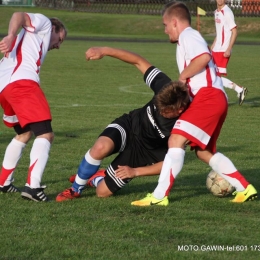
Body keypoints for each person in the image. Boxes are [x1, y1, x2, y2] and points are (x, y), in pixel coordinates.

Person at [131, 1, 257, 206]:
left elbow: (204, 57)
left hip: (209, 97)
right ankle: (244, 188)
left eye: (165, 25)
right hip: (213, 98)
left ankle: (159, 196)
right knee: (203, 152)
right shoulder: (187, 39)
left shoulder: (188, 35)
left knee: (175, 141)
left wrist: (181, 78)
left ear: (174, 22)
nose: (164, 31)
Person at [56, 46, 190, 202]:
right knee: (100, 147)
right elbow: (138, 62)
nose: (159, 112)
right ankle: (76, 189)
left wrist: (135, 172)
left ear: (179, 110)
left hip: (142, 153)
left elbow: (171, 163)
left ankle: (96, 178)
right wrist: (104, 50)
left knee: (102, 192)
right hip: (130, 125)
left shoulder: (184, 126)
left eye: (164, 112)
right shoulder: (165, 87)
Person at [0, 12, 67, 201]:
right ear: (54, 29)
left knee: (24, 133)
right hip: (22, 85)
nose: (58, 45)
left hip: (4, 88)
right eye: (60, 39)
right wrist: (11, 35)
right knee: (45, 134)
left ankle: (3, 182)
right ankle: (33, 188)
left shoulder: (33, 40)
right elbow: (18, 14)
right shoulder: (45, 24)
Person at [211, 0, 248, 105]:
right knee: (213, 75)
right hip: (216, 49)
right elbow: (219, 33)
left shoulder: (227, 12)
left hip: (223, 49)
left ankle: (228, 96)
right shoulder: (216, 12)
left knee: (215, 76)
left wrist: (229, 49)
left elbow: (234, 32)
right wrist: (212, 47)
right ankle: (239, 90)